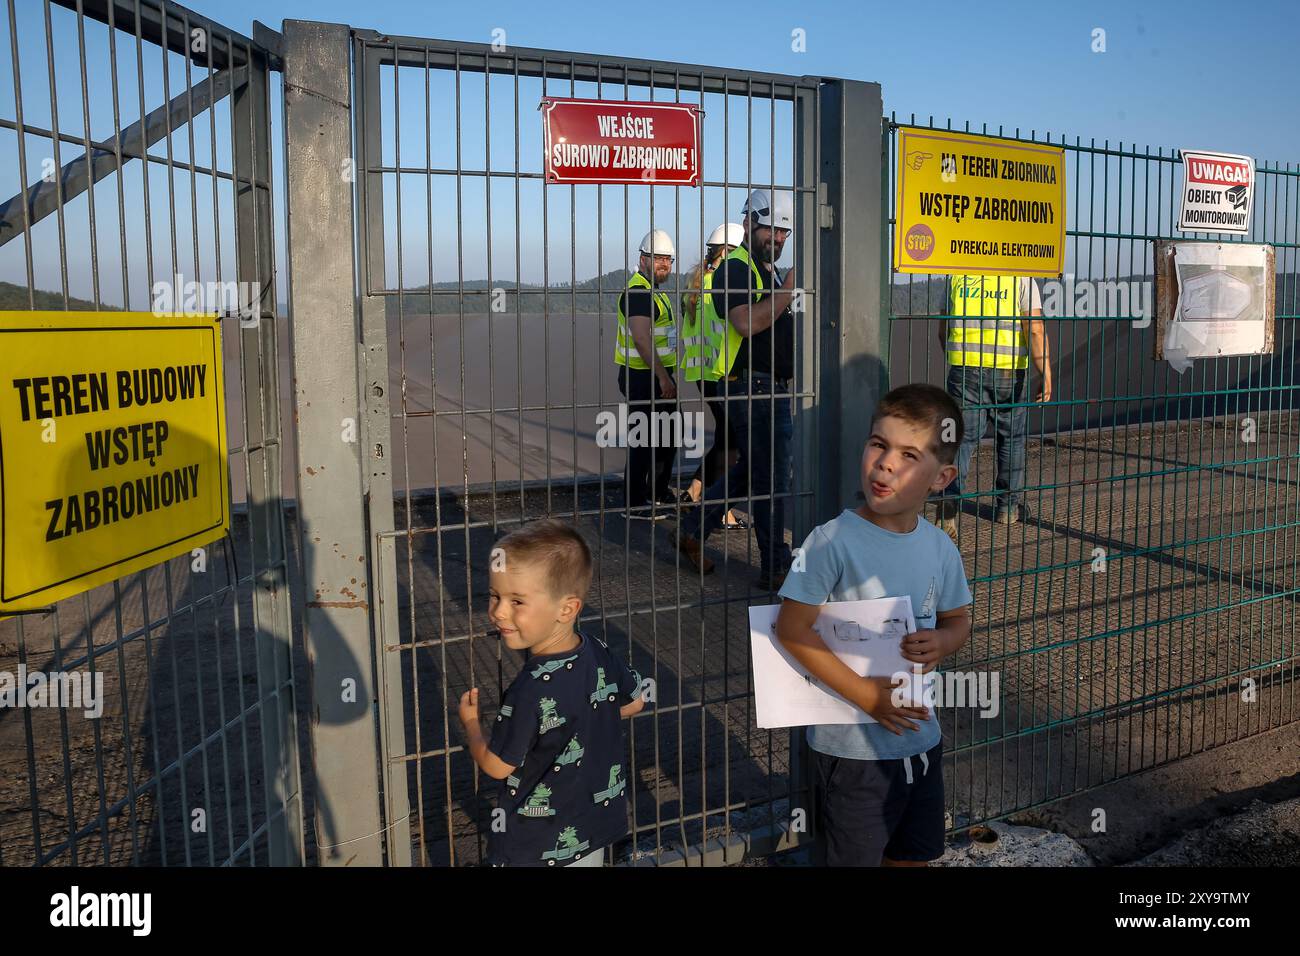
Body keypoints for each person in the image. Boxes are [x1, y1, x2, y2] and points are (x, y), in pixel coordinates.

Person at [776, 383, 973, 866]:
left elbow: (959, 619)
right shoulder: (829, 542)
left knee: (914, 855)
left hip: (923, 743)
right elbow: (791, 629)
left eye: (908, 454)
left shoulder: (941, 548)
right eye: (878, 444)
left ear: (941, 477)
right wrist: (868, 697)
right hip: (852, 755)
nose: (885, 463)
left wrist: (943, 642)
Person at [457, 519, 645, 867]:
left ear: (567, 609)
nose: (498, 611)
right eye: (495, 596)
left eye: (517, 601)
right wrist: (585, 716)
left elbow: (497, 766)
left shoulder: (530, 689)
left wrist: (471, 725)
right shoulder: (598, 649)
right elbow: (635, 701)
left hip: (535, 846)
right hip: (592, 830)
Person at [669, 189, 798, 590]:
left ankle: (692, 528)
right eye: (771, 230)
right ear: (749, 225)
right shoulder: (735, 269)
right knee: (772, 479)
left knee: (750, 471)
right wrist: (787, 292)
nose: (777, 239)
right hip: (750, 388)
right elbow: (744, 322)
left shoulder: (768, 271)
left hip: (767, 386)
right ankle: (775, 567)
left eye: (783, 233)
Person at [936, 273, 1052, 540]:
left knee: (959, 440)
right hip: (1009, 373)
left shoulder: (957, 277)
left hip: (965, 370)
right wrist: (1045, 373)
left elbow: (943, 331)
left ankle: (949, 506)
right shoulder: (1020, 278)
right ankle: (1008, 509)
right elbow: (1034, 328)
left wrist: (961, 363)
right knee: (1010, 439)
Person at [680, 221, 746, 530]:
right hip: (723, 373)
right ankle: (721, 509)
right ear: (728, 252)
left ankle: (694, 491)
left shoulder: (697, 284)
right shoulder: (721, 285)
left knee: (724, 437)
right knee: (730, 444)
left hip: (702, 373)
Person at [614, 229, 682, 519]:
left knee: (667, 435)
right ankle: (634, 502)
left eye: (668, 259)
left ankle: (656, 491)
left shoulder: (654, 291)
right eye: (658, 259)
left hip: (655, 376)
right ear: (643, 260)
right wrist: (663, 377)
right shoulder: (639, 292)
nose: (664, 265)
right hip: (643, 377)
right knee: (644, 439)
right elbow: (641, 338)